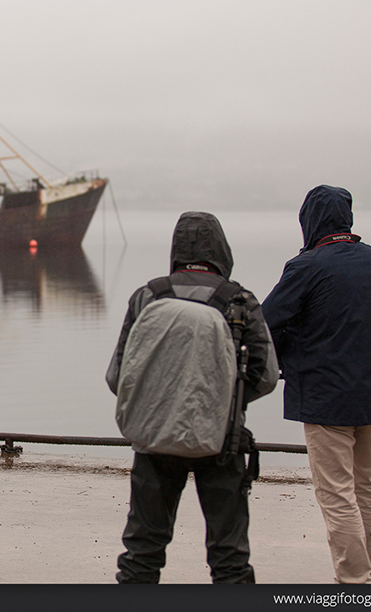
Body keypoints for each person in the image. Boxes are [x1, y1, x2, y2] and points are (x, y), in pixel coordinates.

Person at [106, 211, 278, 583]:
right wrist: (222, 400)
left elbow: (118, 376)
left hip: (154, 442)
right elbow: (265, 376)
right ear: (222, 250)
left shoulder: (148, 296)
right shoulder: (240, 300)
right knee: (229, 558)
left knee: (142, 554)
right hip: (221, 442)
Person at [262, 185, 371, 584]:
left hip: (325, 400)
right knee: (369, 486)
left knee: (337, 493)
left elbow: (266, 322)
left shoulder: (306, 266)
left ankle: (352, 582)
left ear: (309, 221)